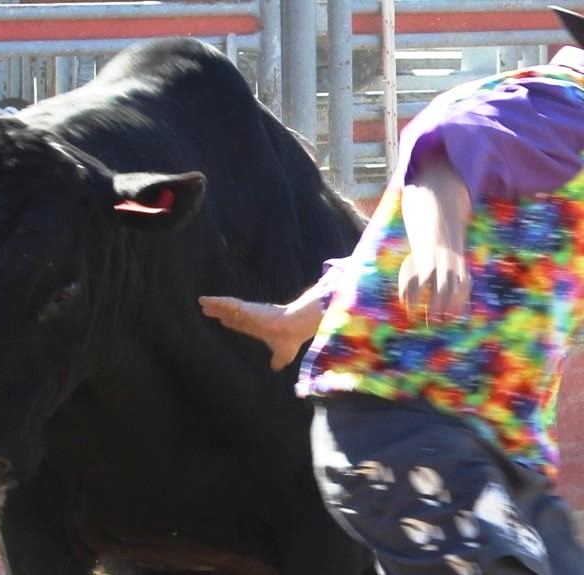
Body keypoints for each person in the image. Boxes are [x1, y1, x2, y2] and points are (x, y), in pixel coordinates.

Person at [199, 6, 584, 574]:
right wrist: (440, 246)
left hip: (498, 448)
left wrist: (300, 315)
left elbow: (383, 249)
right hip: (404, 423)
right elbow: (443, 143)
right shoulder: (561, 107)